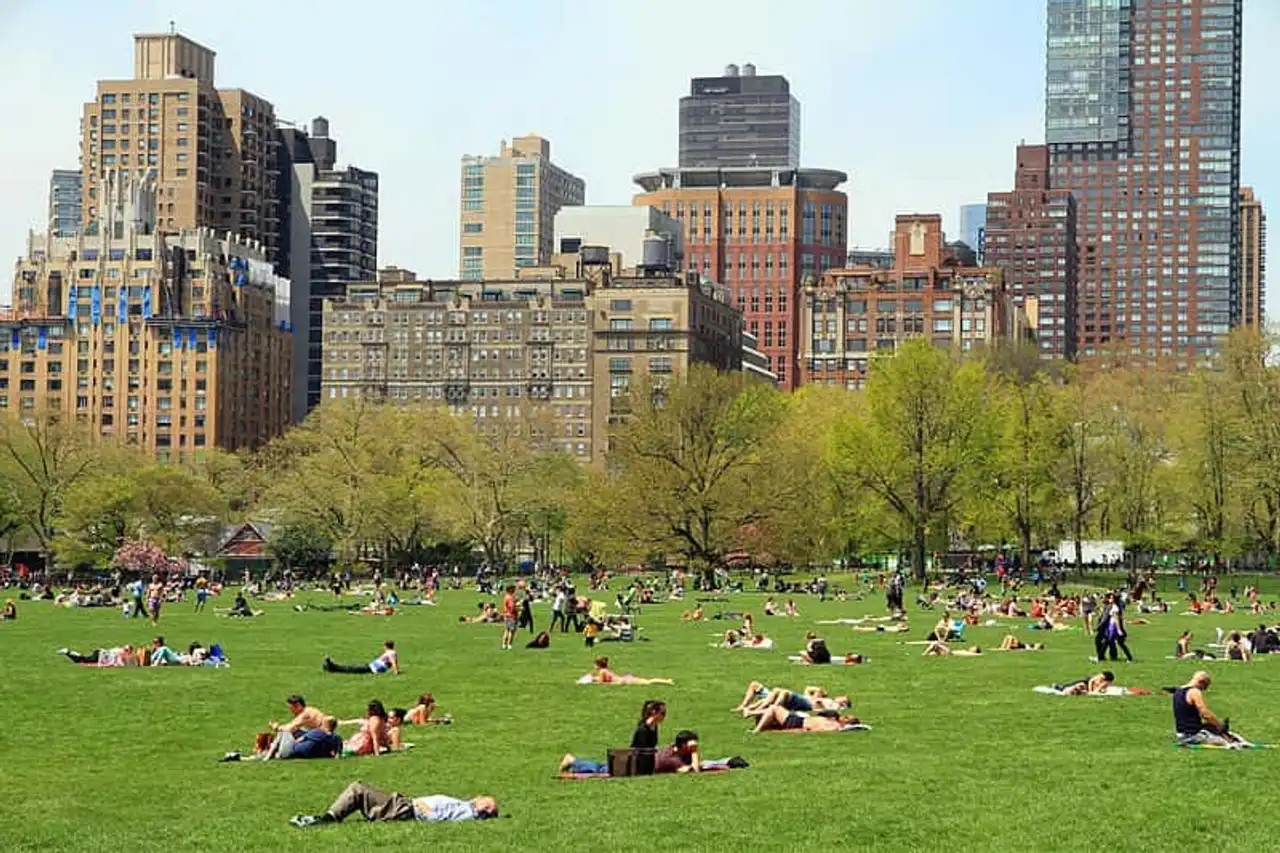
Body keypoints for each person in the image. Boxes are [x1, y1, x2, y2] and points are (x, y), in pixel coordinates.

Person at [290, 782, 497, 827]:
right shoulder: (464, 805)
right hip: (407, 804)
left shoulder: (467, 813)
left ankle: (326, 820)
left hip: (408, 807)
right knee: (359, 791)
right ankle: (327, 818)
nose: (487, 805)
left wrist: (420, 806)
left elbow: (436, 818)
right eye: (488, 801)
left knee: (358, 789)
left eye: (489, 808)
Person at [1172, 671, 1248, 747]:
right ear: (1201, 682)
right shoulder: (1194, 691)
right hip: (1194, 735)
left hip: (1181, 734)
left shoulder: (1178, 691)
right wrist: (1220, 726)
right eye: (1204, 687)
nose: (1203, 690)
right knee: (1230, 742)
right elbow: (1205, 714)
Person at [751, 706, 863, 733]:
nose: (844, 716)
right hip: (797, 720)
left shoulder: (834, 726)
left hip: (796, 722)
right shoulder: (833, 722)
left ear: (848, 723)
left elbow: (808, 730)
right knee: (766, 712)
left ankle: (756, 729)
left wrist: (786, 732)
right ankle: (759, 722)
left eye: (847, 718)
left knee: (774, 708)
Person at [324, 641, 400, 675]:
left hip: (373, 668)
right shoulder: (390, 652)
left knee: (351, 669)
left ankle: (332, 667)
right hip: (372, 666)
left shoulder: (391, 653)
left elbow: (393, 662)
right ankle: (332, 667)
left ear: (386, 646)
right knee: (352, 668)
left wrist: (396, 672)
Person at [583, 657, 674, 686]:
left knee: (648, 682)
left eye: (595, 665)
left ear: (598, 665)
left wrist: (592, 681)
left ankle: (667, 681)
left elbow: (602, 683)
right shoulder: (605, 670)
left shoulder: (602, 671)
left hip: (624, 680)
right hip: (625, 678)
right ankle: (666, 681)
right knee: (647, 681)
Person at [500, 586, 518, 651]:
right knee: (511, 631)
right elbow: (512, 607)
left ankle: (504, 645)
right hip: (512, 616)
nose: (514, 590)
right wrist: (518, 608)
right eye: (513, 589)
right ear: (510, 589)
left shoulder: (506, 596)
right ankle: (509, 645)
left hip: (506, 615)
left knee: (506, 630)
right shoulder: (510, 598)